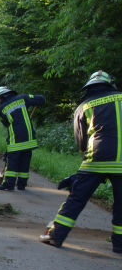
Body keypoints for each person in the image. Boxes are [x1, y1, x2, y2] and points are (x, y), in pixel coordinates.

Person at [40, 71, 121, 253]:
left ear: (89, 88)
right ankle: (119, 245)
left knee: (76, 198)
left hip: (96, 159)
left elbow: (81, 140)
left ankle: (56, 235)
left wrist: (85, 161)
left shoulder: (85, 106)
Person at [0, 86, 44, 191]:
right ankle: (21, 185)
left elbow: (6, 124)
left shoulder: (1, 109)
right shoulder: (23, 98)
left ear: (1, 96)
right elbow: (41, 99)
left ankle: (8, 184)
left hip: (15, 139)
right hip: (29, 138)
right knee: (25, 162)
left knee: (11, 162)